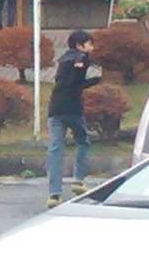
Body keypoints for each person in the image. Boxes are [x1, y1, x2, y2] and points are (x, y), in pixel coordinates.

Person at [46, 30, 101, 208]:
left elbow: (70, 83)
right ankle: (78, 180)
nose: (92, 47)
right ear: (79, 45)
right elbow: (77, 77)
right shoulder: (81, 57)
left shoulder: (63, 59)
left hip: (55, 108)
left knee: (55, 150)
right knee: (83, 141)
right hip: (73, 110)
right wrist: (96, 78)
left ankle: (54, 194)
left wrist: (90, 80)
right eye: (89, 44)